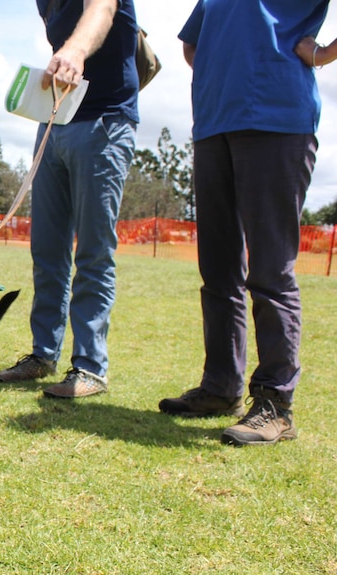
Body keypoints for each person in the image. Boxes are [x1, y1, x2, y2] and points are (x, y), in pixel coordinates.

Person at [158, 0, 328, 446]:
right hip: (214, 125)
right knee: (218, 271)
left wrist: (324, 53)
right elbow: (191, 46)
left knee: (270, 271)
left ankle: (275, 405)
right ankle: (221, 388)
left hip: (277, 118)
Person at [0, 0, 138, 398]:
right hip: (56, 122)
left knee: (93, 251)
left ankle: (90, 368)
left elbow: (102, 9)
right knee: (47, 250)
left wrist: (74, 50)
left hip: (105, 122)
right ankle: (43, 354)